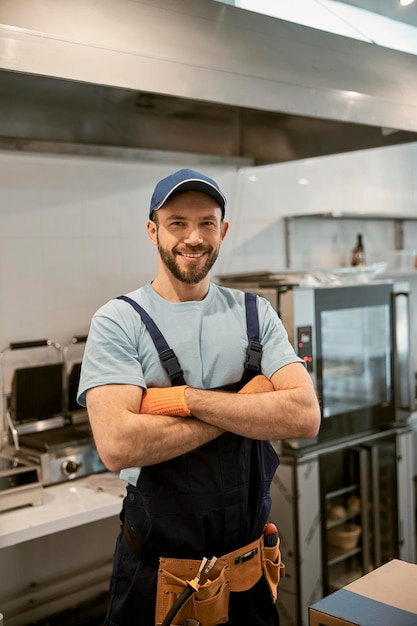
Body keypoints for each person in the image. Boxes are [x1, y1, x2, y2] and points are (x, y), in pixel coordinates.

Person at [77, 168, 321, 626]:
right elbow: (118, 445)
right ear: (152, 231)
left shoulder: (255, 312)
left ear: (223, 230)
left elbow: (305, 416)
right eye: (177, 223)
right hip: (158, 583)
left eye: (207, 223)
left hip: (248, 581)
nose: (193, 237)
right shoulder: (118, 321)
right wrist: (250, 402)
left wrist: (179, 400)